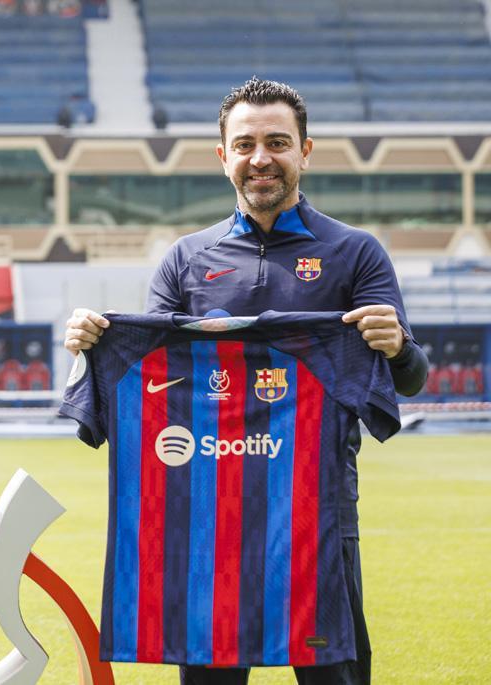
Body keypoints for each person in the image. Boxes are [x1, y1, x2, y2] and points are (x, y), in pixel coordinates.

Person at [63, 77, 428, 685]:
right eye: (246, 144)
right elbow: (148, 377)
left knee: (331, 673)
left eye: (278, 142)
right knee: (210, 678)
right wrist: (90, 347)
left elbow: (409, 383)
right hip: (205, 512)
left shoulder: (354, 253)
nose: (262, 158)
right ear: (223, 156)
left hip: (318, 509)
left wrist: (398, 347)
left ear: (305, 151)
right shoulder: (186, 258)